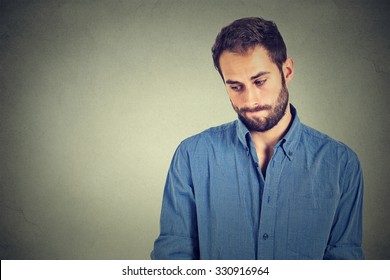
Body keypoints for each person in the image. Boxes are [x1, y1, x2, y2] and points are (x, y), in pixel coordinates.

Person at [151, 17, 364, 260]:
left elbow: (344, 261)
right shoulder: (191, 155)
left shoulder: (341, 164)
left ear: (287, 71)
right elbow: (172, 259)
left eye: (260, 81)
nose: (250, 100)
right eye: (235, 86)